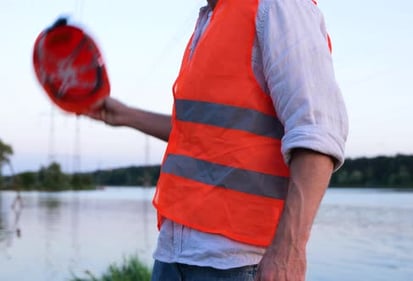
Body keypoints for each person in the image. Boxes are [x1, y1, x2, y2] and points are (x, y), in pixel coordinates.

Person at [85, 0, 348, 280]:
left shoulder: (275, 6)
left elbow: (318, 133)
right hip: (173, 255)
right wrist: (126, 116)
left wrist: (289, 251)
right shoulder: (212, 19)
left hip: (239, 263)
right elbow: (198, 135)